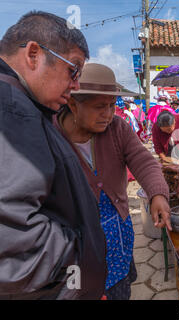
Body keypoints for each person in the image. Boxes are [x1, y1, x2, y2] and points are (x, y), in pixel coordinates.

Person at [0, 11, 106, 299]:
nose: (75, 85)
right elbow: (10, 239)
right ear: (34, 54)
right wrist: (78, 255)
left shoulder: (25, 106)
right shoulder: (12, 109)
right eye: (74, 69)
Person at [53, 63, 171, 300]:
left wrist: (157, 194)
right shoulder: (51, 135)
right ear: (73, 104)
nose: (108, 114)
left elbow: (143, 161)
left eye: (110, 106)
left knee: (118, 289)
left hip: (116, 232)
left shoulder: (117, 128)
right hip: (74, 243)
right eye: (99, 107)